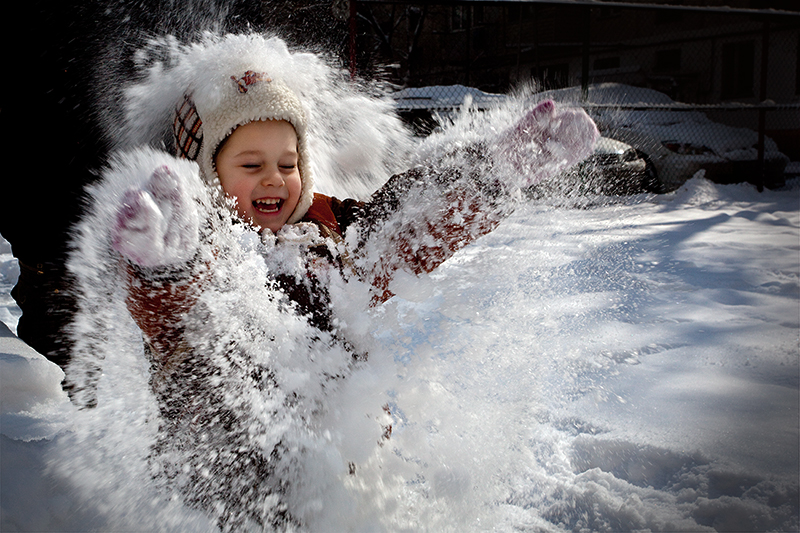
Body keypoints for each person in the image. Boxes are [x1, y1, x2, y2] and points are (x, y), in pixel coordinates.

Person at [68, 33, 598, 531]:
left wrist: (494, 172)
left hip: (336, 480)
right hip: (225, 494)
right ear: (206, 172)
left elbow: (405, 226)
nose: (275, 178)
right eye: (251, 164)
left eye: (288, 162)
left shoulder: (329, 232)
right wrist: (165, 266)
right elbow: (170, 323)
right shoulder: (199, 248)